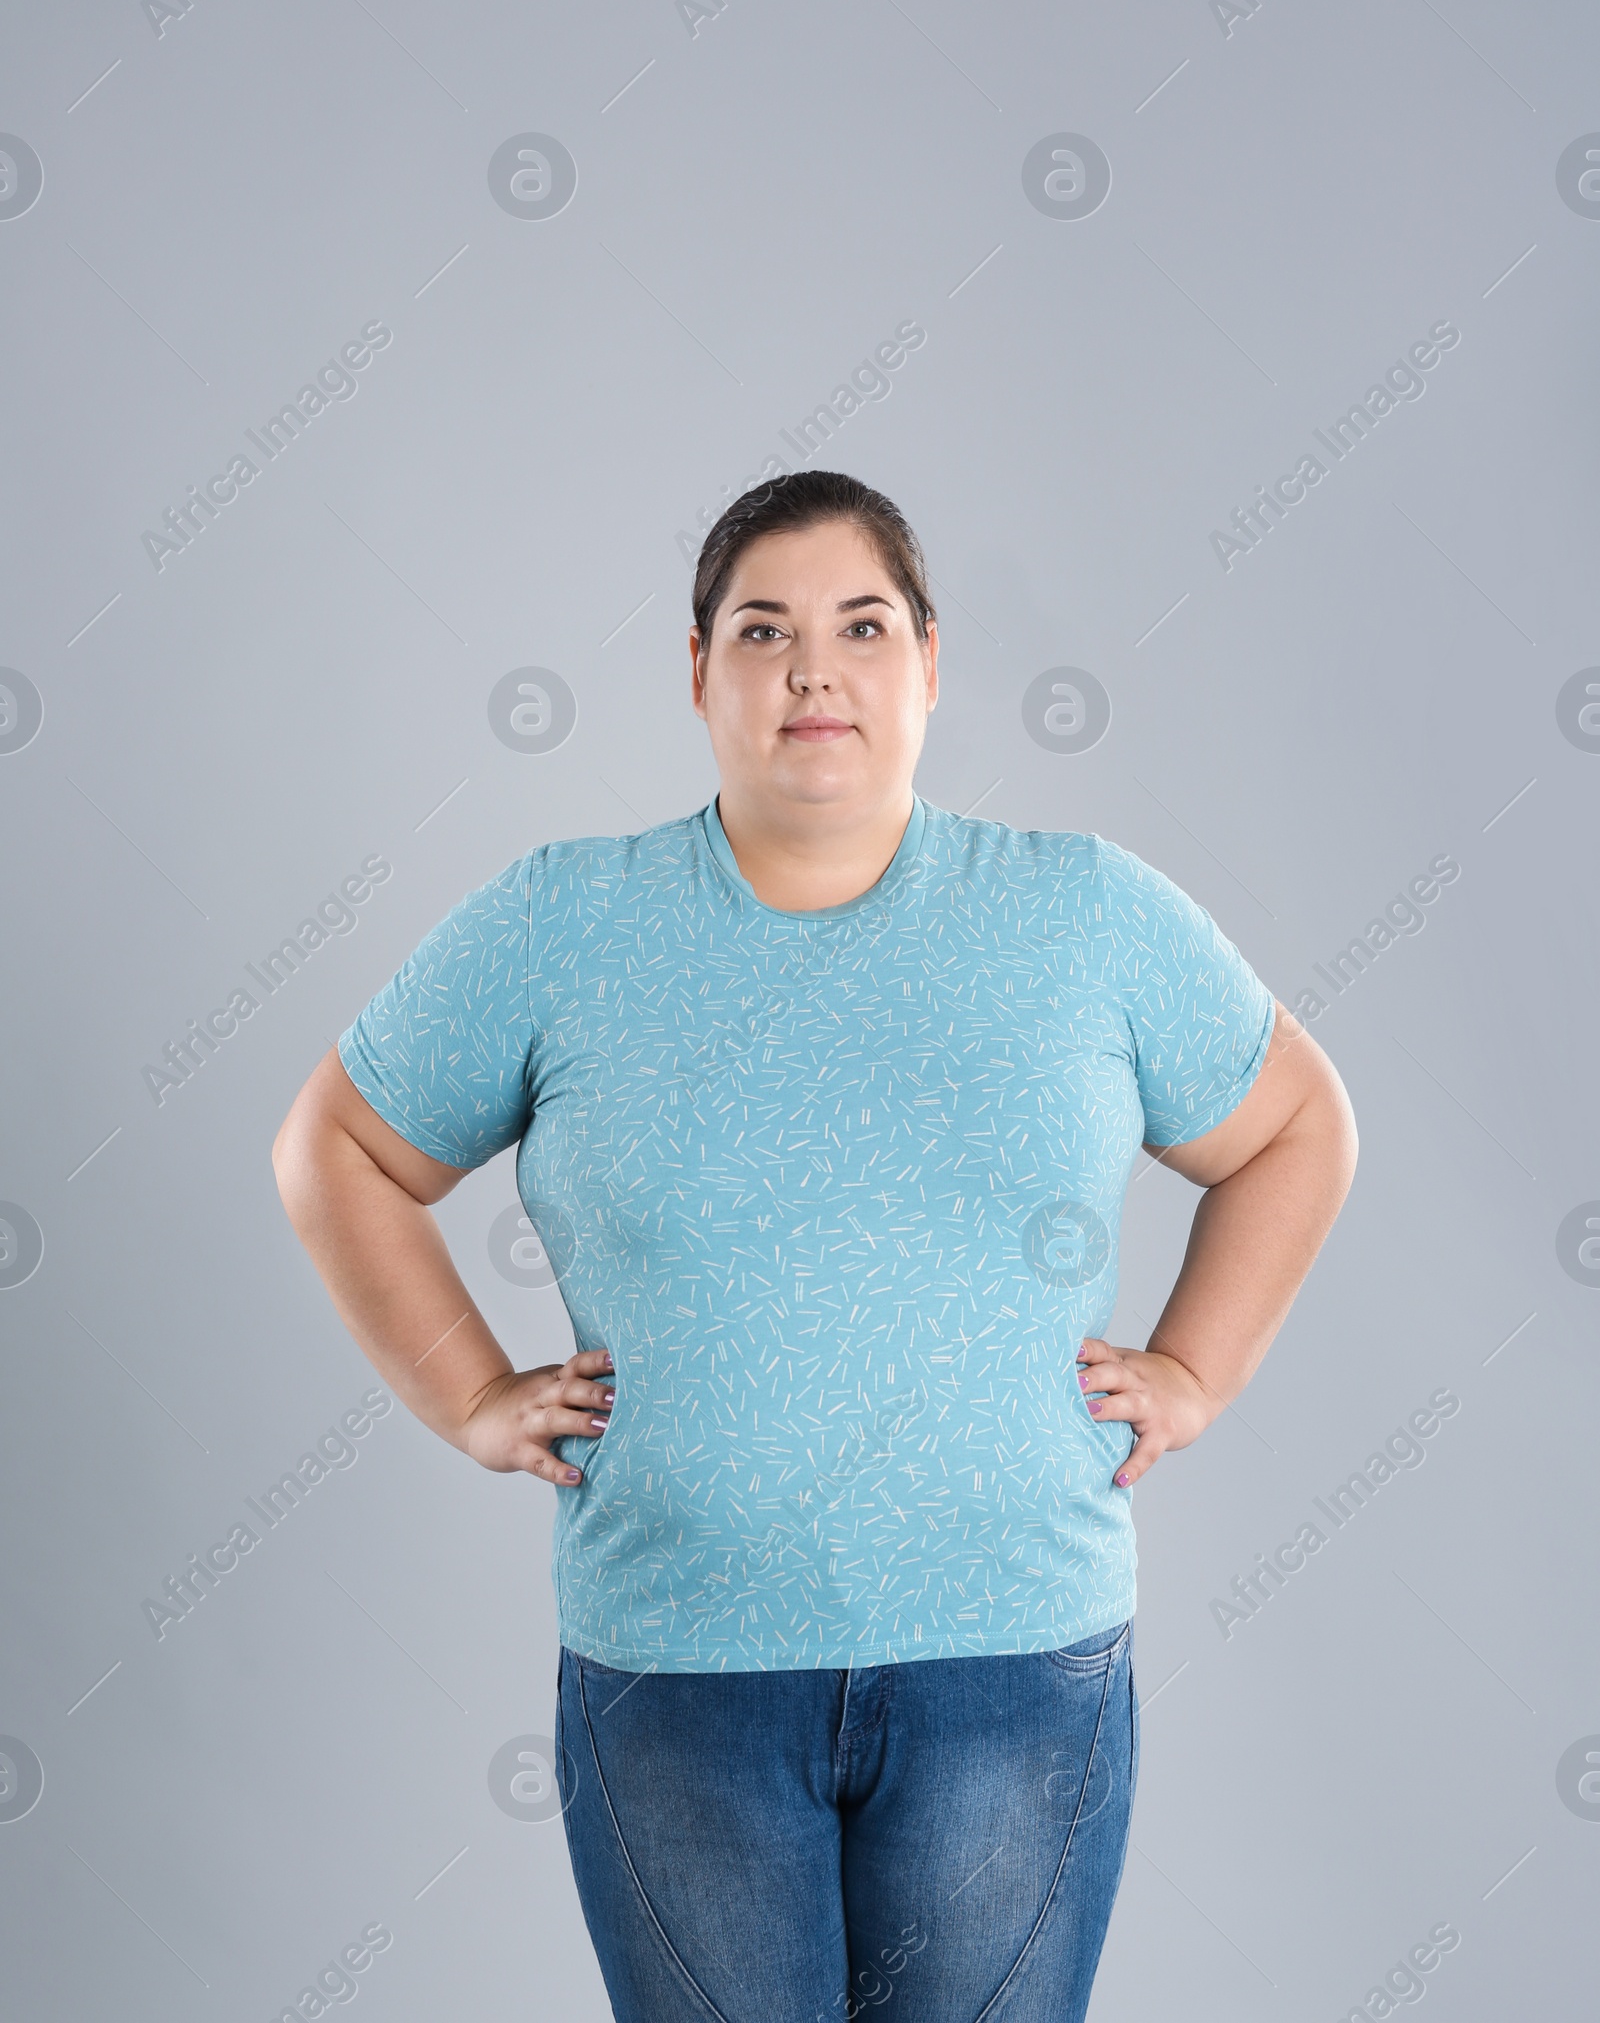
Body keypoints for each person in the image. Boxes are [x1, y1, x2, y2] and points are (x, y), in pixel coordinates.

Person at [273, 470, 1357, 2022]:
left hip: (1016, 1661)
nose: (811, 670)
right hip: (677, 1673)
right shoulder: (565, 924)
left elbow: (1298, 1129)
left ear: (929, 661)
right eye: (763, 628)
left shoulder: (1082, 916)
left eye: (860, 624)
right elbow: (338, 1147)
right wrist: (467, 1391)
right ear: (698, 672)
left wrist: (1195, 1366)